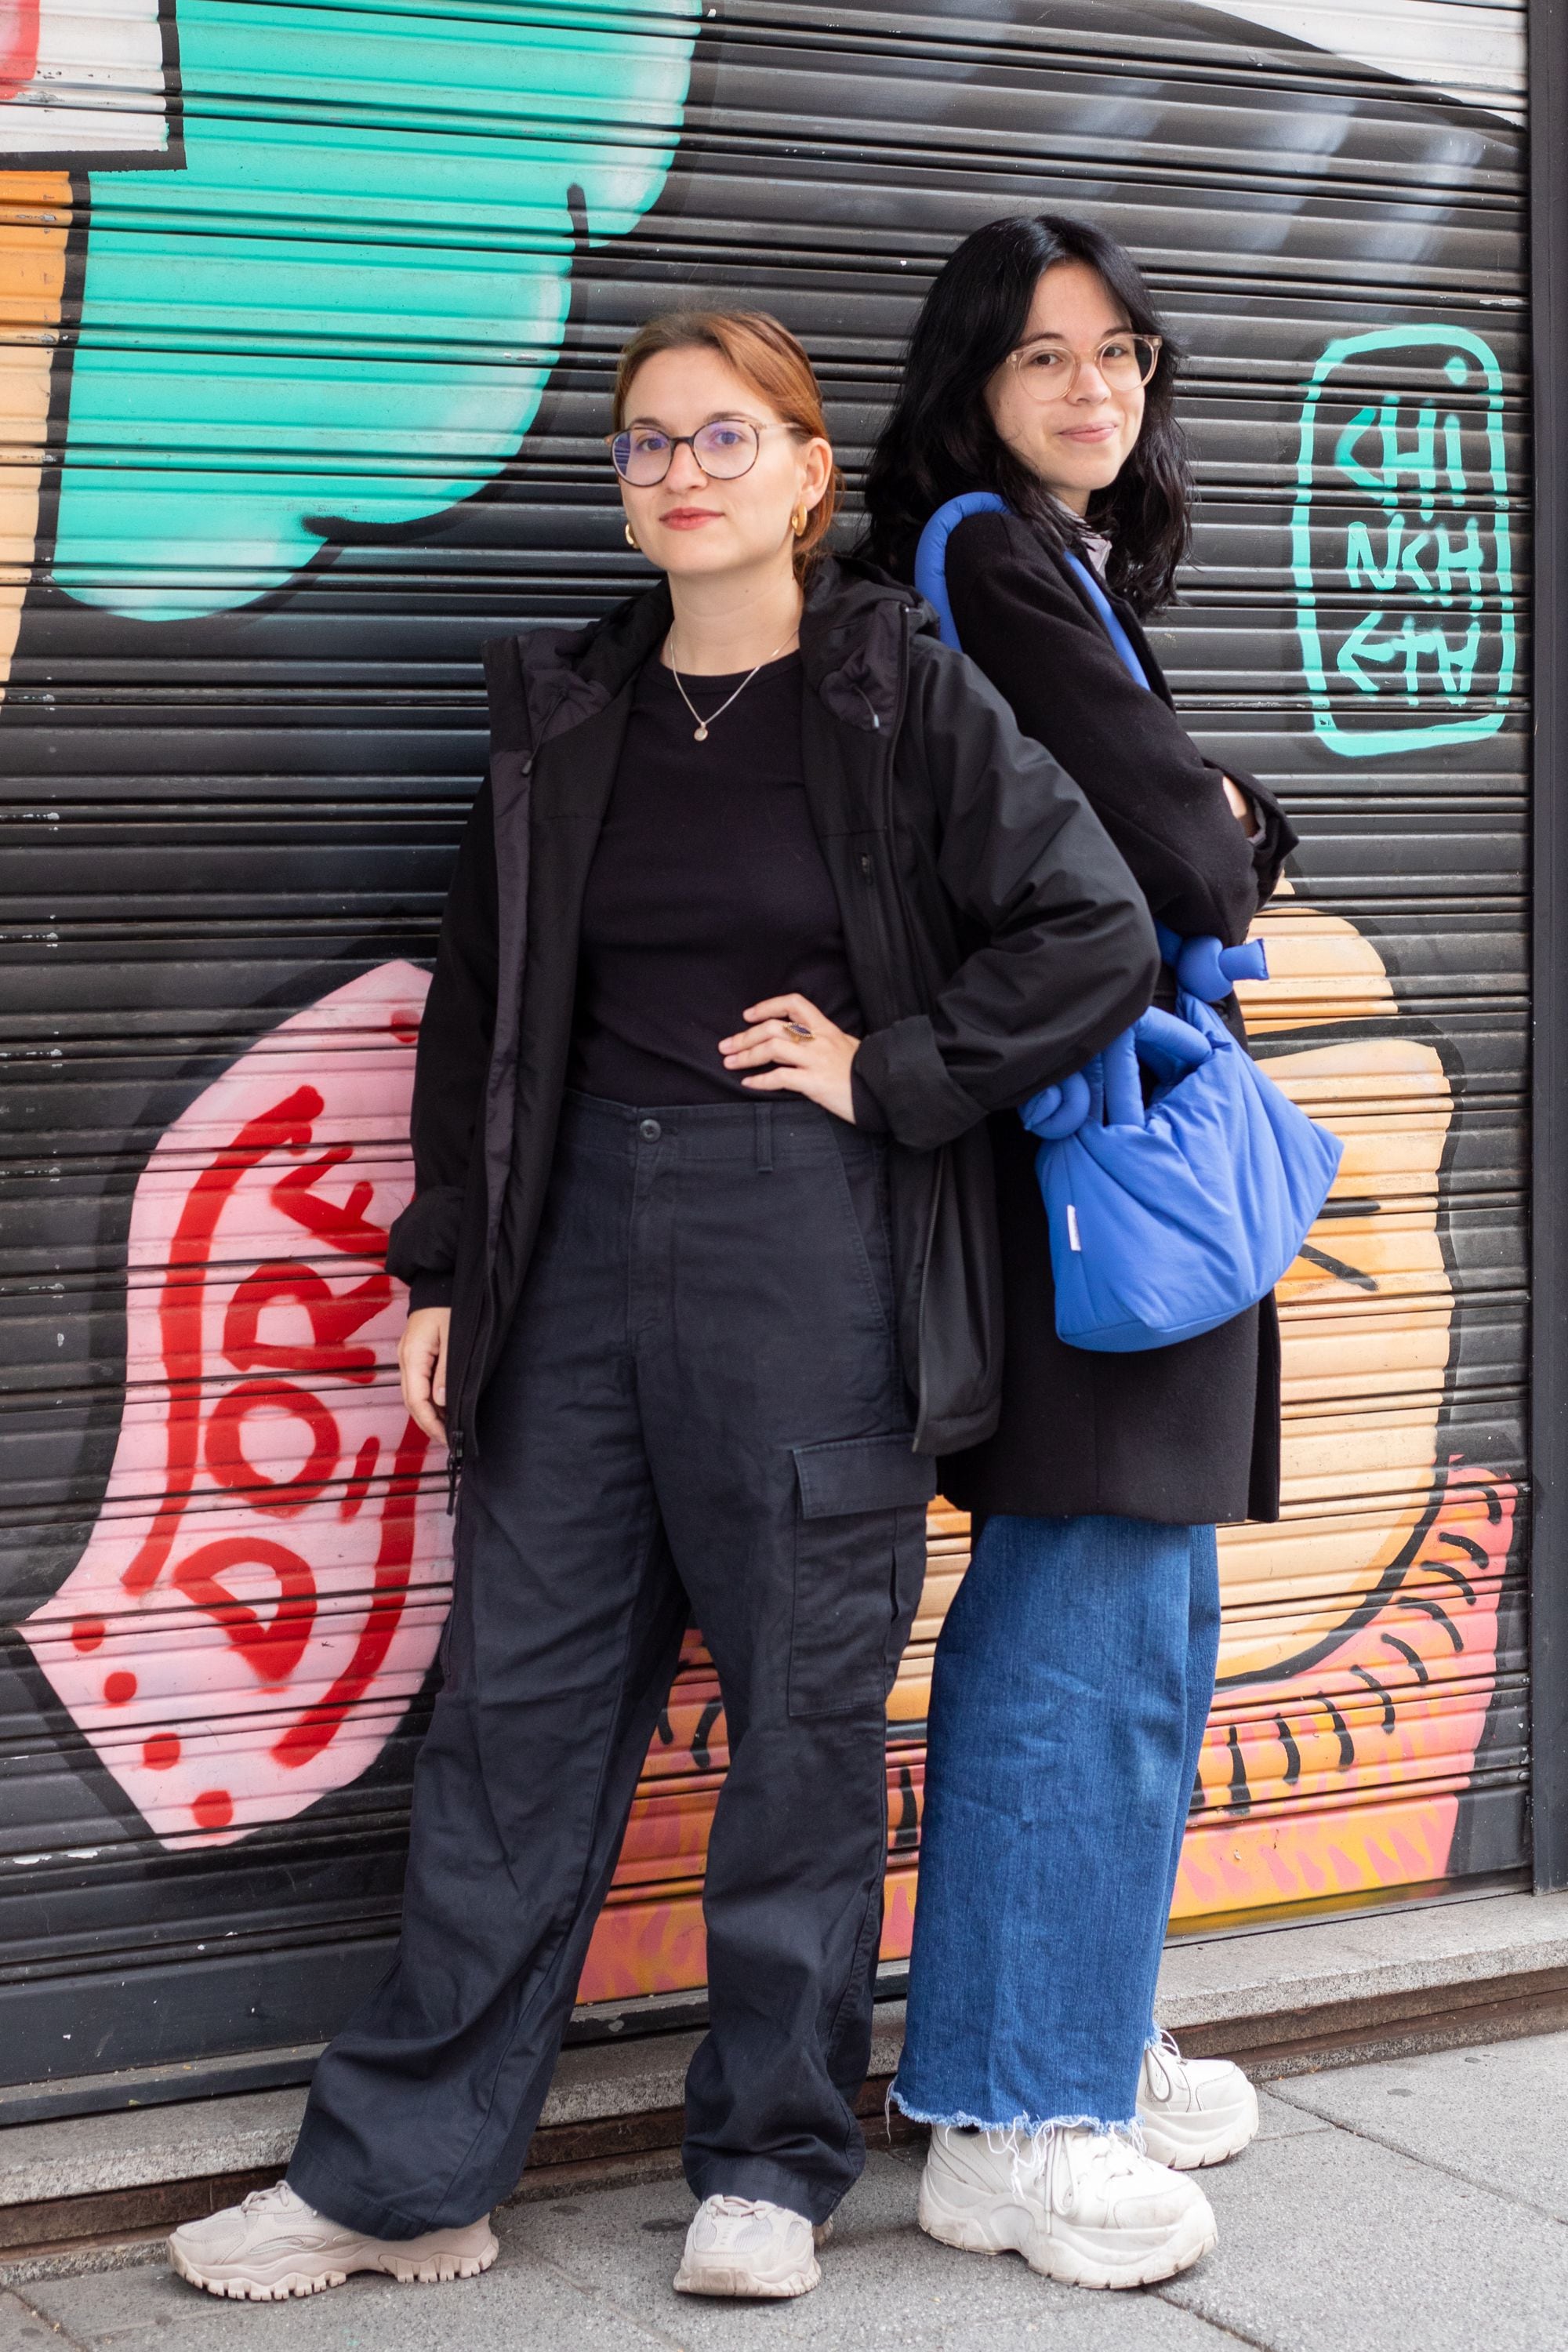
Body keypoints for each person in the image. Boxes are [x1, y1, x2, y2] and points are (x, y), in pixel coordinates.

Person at [167, 307, 1158, 2306]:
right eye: (642, 446)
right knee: (513, 1727)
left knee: (799, 1727)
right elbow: (479, 1009)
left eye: (724, 440)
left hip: (808, 1247)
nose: (679, 473)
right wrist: (446, 1260)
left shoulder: (900, 701)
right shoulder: (565, 720)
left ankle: (770, 2163)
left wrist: (887, 1068)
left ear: (806, 477)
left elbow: (1095, 929)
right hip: (574, 1263)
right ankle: (401, 2177)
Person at [862, 214, 1299, 2291]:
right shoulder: (981, 551)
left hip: (1122, 1158)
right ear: (972, 382)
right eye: (1045, 358)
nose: (1094, 389)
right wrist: (1225, 830)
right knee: (1082, 1618)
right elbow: (1188, 846)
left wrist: (1224, 824)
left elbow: (1210, 827)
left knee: (1146, 1610)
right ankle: (1014, 2114)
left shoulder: (1069, 564)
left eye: (1121, 351)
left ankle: (1078, 2035)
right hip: (1089, 1170)